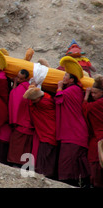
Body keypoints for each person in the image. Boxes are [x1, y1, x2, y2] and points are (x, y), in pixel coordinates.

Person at [55, 56, 91, 187]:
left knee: (67, 160)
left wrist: (59, 87)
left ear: (71, 79)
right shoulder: (76, 89)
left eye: (66, 76)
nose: (63, 78)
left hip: (73, 132)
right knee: (76, 159)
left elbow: (59, 98)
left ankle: (68, 181)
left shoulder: (71, 90)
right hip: (77, 131)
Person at [24, 86, 58, 179]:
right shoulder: (46, 97)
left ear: (38, 97)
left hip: (48, 132)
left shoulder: (43, 103)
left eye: (33, 100)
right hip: (50, 132)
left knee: (45, 156)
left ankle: (44, 173)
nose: (32, 102)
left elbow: (31, 105)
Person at [7, 69, 34, 166]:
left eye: (21, 79)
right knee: (25, 146)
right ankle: (23, 164)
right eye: (17, 77)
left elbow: (13, 98)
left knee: (17, 144)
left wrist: (14, 83)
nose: (18, 80)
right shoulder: (29, 87)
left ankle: (16, 163)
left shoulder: (22, 88)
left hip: (21, 122)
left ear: (27, 79)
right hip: (28, 122)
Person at [83, 75, 103, 188]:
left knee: (95, 160)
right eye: (92, 93)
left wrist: (86, 96)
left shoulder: (97, 104)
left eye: (95, 93)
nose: (93, 95)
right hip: (97, 134)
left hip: (99, 136)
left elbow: (86, 108)